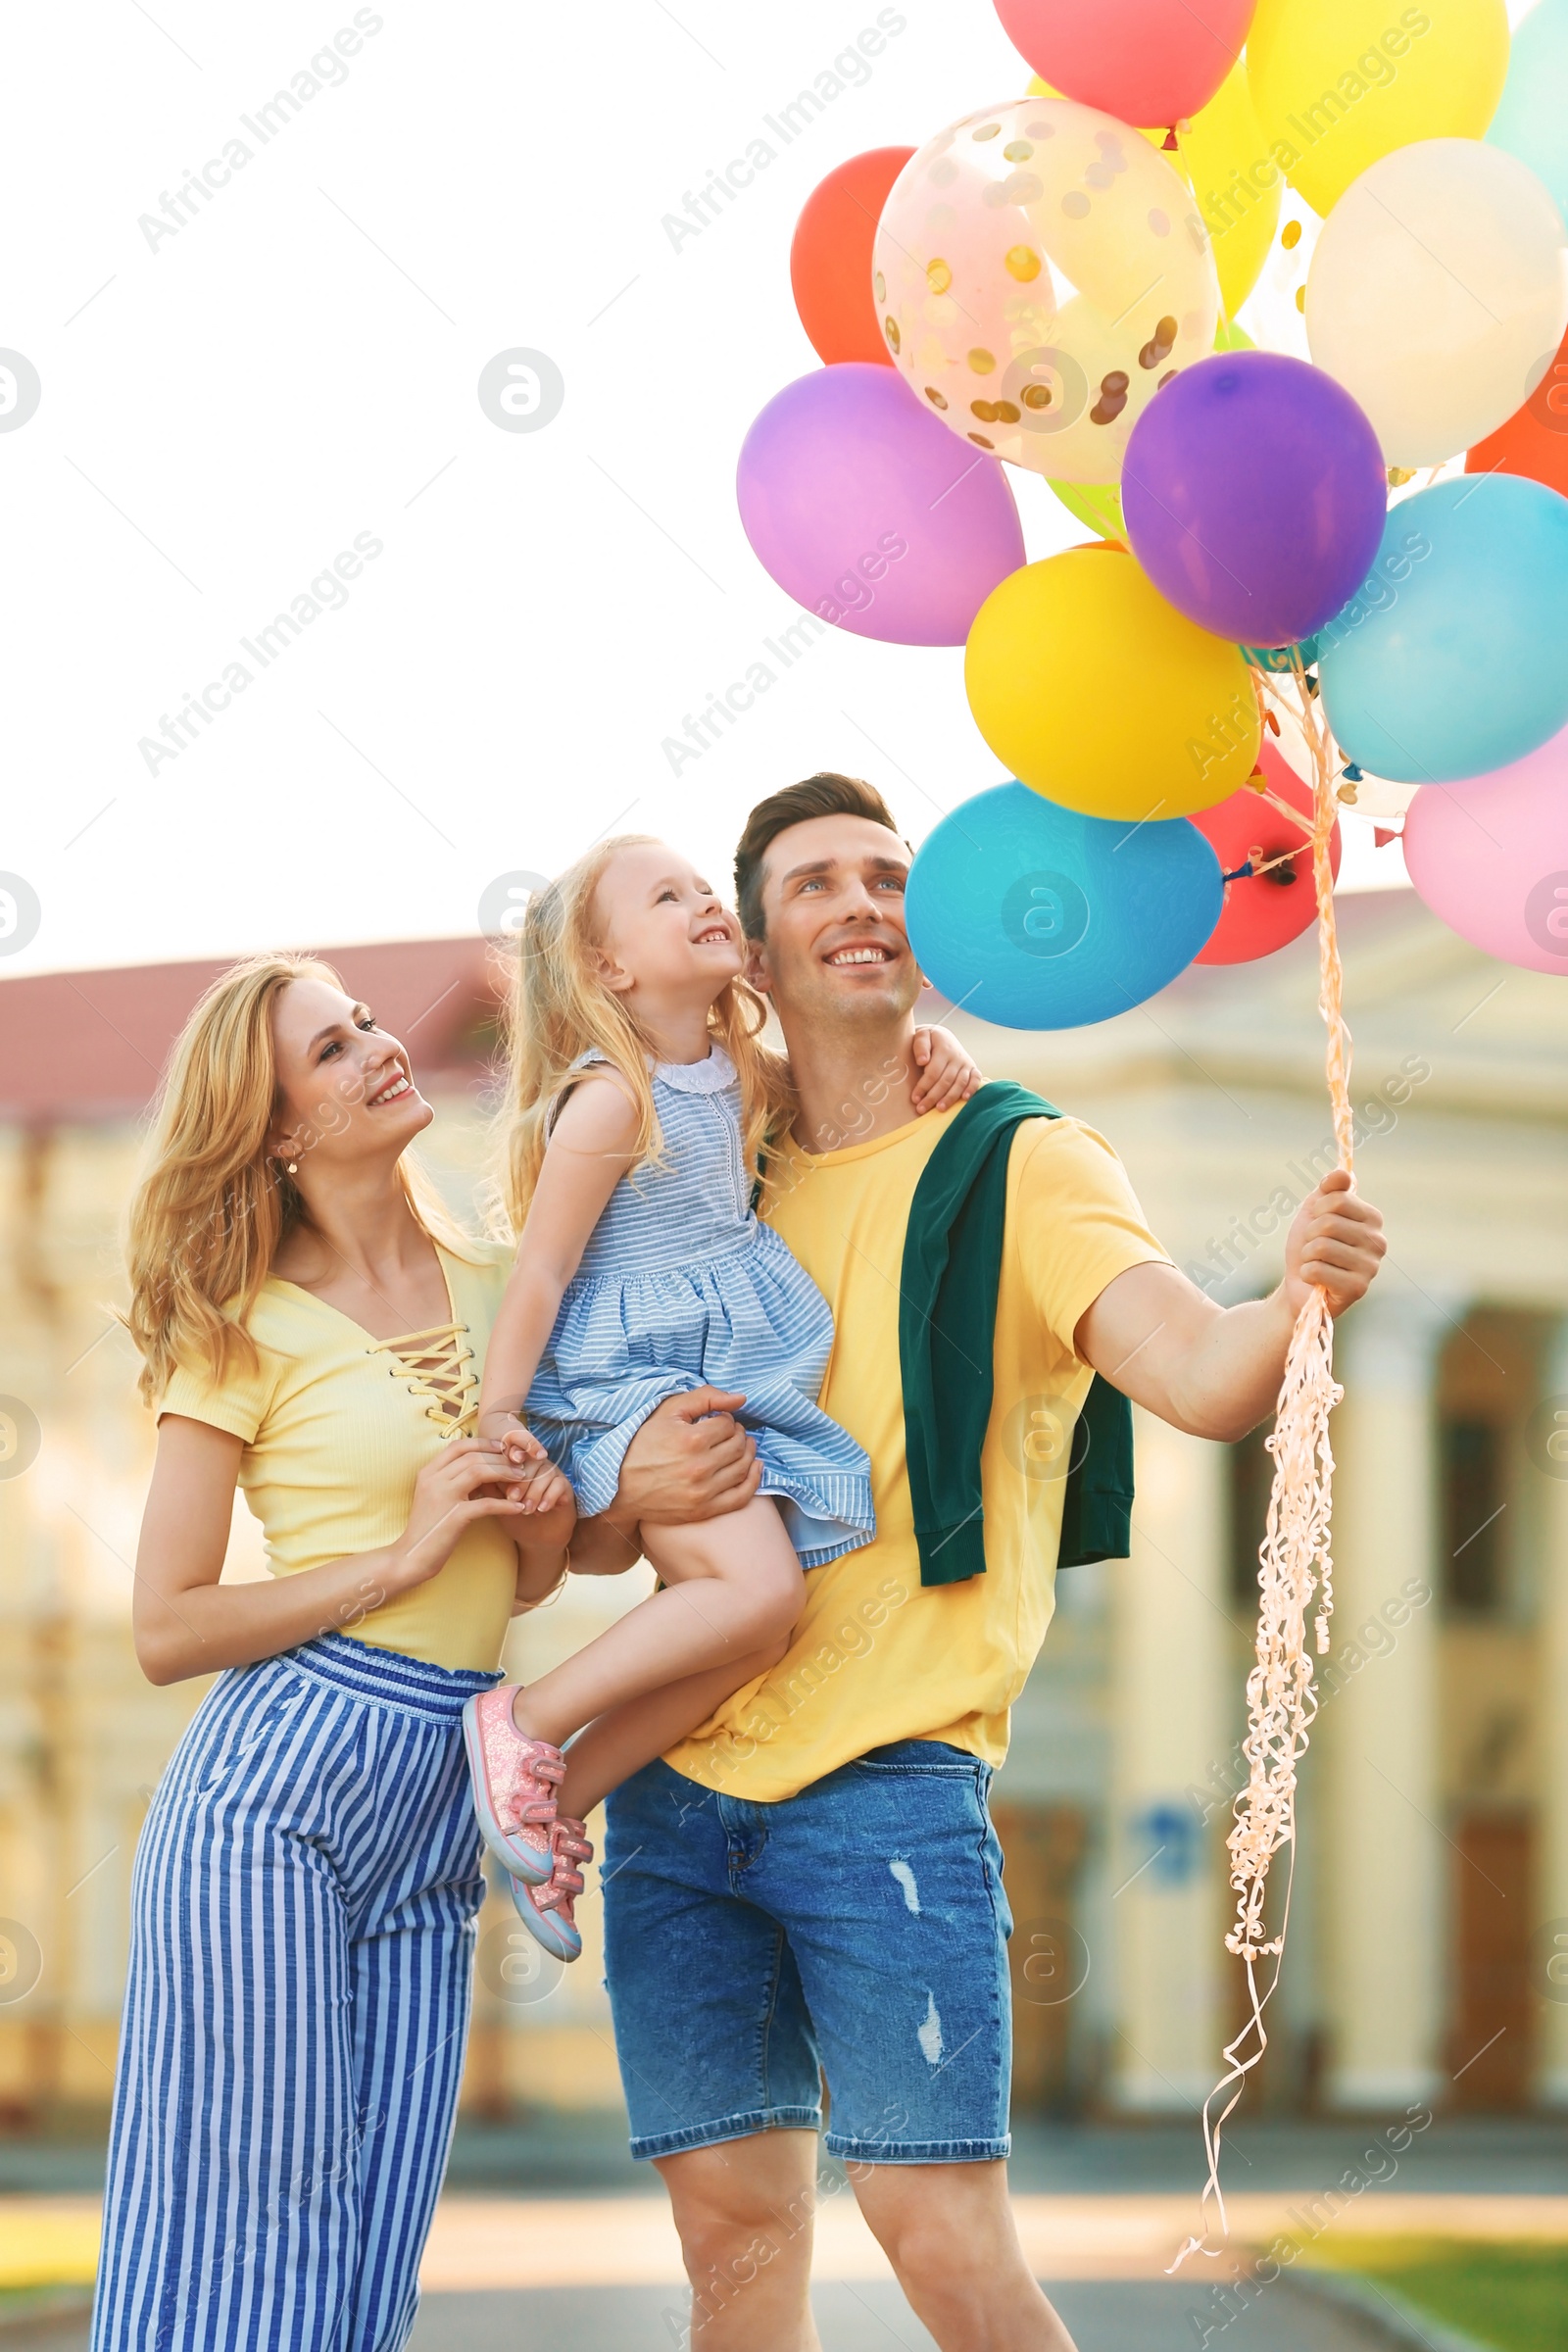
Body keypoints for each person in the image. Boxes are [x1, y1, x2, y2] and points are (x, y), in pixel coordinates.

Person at [578, 773, 1389, 2352]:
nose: (863, 902)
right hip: (677, 1790)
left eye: (890, 877)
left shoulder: (1024, 1162)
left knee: (939, 2237)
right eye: (816, 883)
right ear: (751, 944)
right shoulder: (696, 1174)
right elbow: (588, 1495)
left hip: (889, 1783)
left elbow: (1200, 1375)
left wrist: (1291, 1295)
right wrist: (624, 1478)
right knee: (731, 2243)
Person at [92, 954, 574, 2352]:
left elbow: (518, 1583)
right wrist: (399, 1557)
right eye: (331, 1049)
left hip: (438, 1789)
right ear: (283, 1129)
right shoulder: (240, 1329)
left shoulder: (502, 1286)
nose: (377, 1047)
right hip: (274, 1795)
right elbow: (166, 1626)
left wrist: (537, 1522)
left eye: (366, 1023)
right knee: (262, 2211)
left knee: (376, 2232)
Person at [461, 833, 980, 1958]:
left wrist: (930, 1047)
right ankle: (526, 1718)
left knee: (751, 1633)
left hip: (716, 1370)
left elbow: (858, 1087)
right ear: (610, 971)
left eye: (704, 886)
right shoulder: (608, 1101)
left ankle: (553, 1802)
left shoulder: (736, 1072)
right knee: (758, 1599)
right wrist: (503, 1413)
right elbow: (542, 1269)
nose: (704, 898)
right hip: (635, 1378)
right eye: (665, 896)